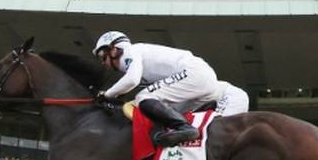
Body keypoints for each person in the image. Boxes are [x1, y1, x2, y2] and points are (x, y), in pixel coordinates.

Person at [92, 31, 234, 146]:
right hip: (201, 80)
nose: (103, 62)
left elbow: (132, 80)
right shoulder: (134, 55)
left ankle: (186, 129)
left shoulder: (130, 52)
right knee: (167, 113)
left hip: (194, 74)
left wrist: (107, 94)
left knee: (143, 97)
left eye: (102, 56)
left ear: (114, 50)